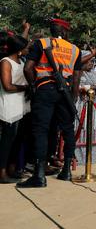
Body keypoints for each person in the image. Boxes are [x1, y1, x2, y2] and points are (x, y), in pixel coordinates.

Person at [18, 18, 82, 188]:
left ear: (53, 29)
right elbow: (76, 79)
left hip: (45, 89)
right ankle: (67, 171)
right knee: (68, 130)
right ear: (65, 31)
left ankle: (39, 175)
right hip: (66, 92)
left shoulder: (41, 43)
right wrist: (72, 99)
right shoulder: (75, 50)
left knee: (41, 130)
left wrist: (34, 86)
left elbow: (27, 68)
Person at [0, 35, 29, 183]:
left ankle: (12, 168)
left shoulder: (22, 62)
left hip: (22, 105)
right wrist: (25, 87)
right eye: (25, 47)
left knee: (18, 140)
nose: (27, 49)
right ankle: (2, 171)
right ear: (19, 50)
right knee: (7, 140)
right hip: (9, 105)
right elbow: (7, 85)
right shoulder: (5, 62)